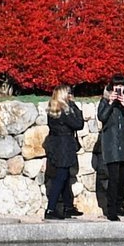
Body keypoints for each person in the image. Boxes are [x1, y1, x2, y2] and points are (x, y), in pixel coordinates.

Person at [93, 81, 124, 220]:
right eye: (116, 86)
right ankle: (111, 210)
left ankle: (119, 206)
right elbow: (102, 117)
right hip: (111, 145)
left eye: (121, 86)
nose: (119, 89)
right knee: (113, 178)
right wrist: (110, 103)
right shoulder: (105, 101)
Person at [41, 86, 84, 220]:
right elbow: (79, 124)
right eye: (69, 93)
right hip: (64, 146)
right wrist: (74, 106)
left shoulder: (53, 109)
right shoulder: (64, 111)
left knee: (64, 176)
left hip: (55, 145)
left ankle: (68, 206)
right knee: (61, 177)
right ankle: (50, 209)